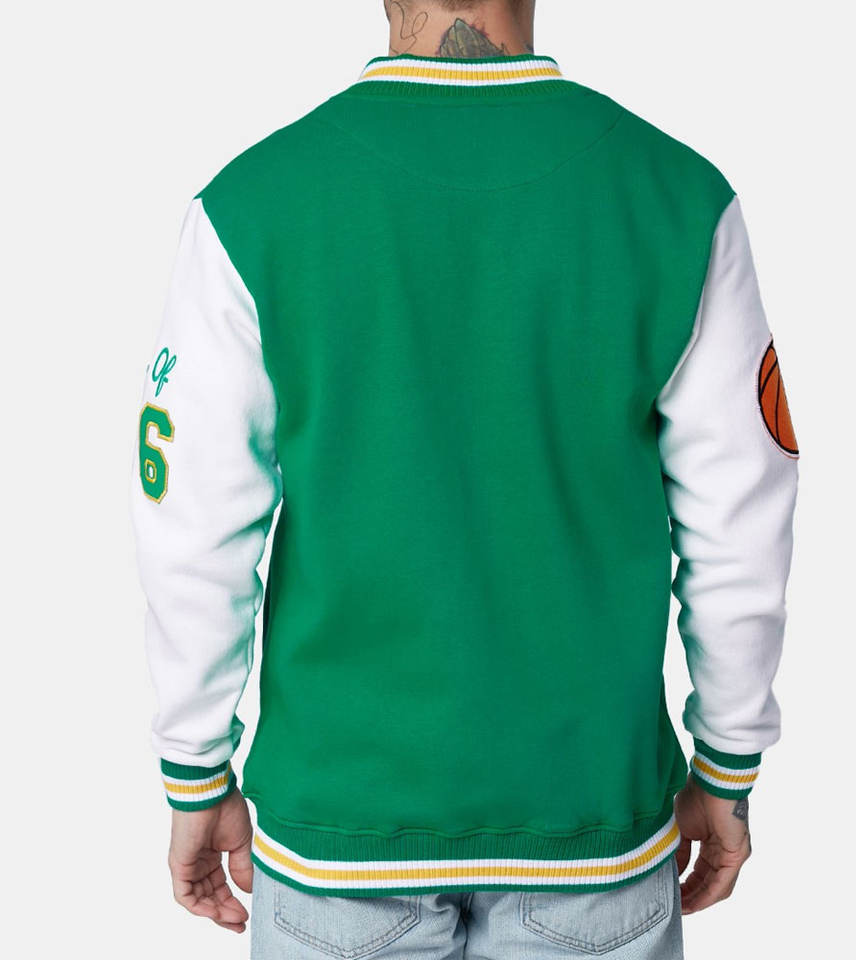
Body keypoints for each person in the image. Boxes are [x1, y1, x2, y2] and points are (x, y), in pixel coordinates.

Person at [130, 1, 799, 957]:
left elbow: (191, 530)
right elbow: (742, 523)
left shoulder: (251, 203)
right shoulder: (677, 197)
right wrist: (727, 765)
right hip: (590, 824)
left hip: (342, 829)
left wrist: (195, 771)